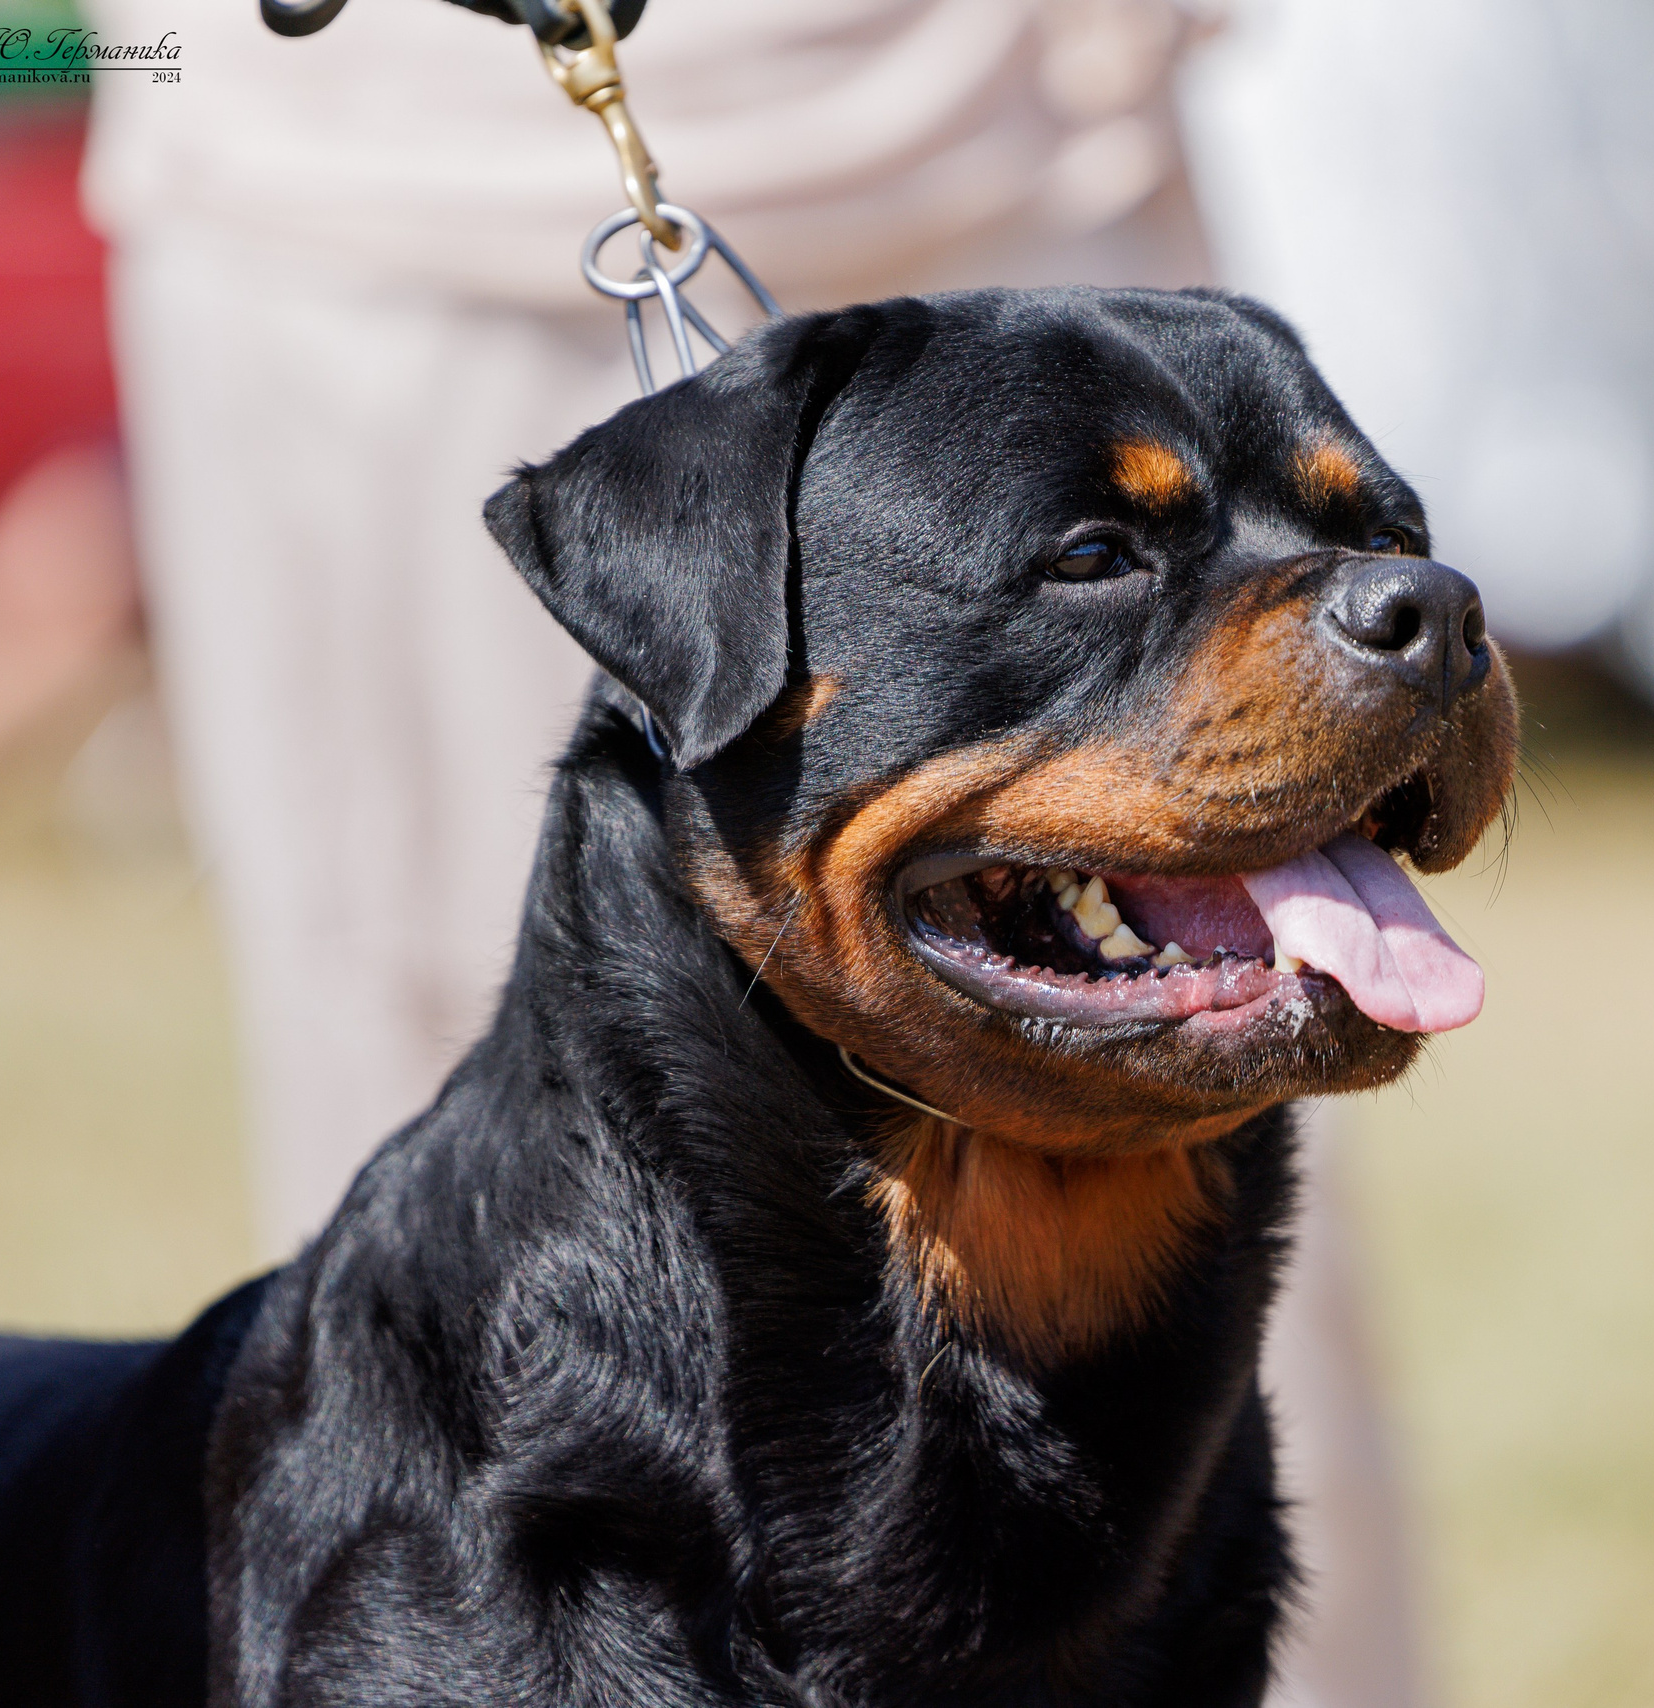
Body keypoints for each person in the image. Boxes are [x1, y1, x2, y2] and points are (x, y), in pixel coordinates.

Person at [81, 2, 1423, 1701]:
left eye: (1377, 540)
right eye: (1103, 555)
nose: (1396, 609)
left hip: (1026, 102)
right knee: (400, 1055)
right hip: (386, 178)